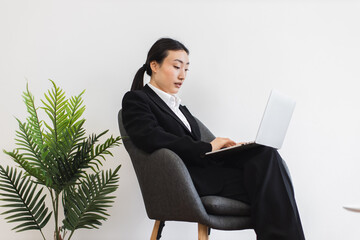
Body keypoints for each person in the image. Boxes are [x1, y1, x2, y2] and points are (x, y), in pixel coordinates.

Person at [121, 37, 306, 240]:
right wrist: (208, 146)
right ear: (154, 65)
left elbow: (195, 146)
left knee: (265, 154)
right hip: (187, 180)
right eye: (176, 67)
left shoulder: (179, 108)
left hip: (210, 170)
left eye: (186, 69)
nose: (182, 75)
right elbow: (151, 137)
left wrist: (233, 149)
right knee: (273, 187)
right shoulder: (136, 99)